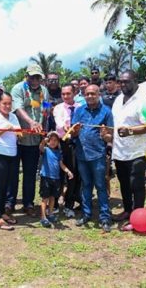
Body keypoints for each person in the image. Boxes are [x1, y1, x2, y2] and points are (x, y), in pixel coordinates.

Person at [110, 70, 146, 231]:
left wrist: (130, 131)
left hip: (137, 152)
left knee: (136, 184)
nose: (123, 84)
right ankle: (128, 210)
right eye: (121, 81)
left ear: (135, 81)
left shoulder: (144, 100)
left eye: (126, 81)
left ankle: (138, 216)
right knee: (123, 183)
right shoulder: (118, 99)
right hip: (120, 151)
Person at [71, 84, 114, 232]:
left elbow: (110, 137)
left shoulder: (106, 112)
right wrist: (74, 131)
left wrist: (105, 135)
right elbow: (73, 133)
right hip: (82, 155)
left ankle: (104, 217)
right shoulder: (79, 111)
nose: (89, 96)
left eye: (93, 94)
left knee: (101, 186)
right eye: (87, 94)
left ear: (98, 94)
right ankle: (86, 214)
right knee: (86, 185)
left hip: (98, 155)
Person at [8, 64, 49, 216]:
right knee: (12, 173)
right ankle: (10, 203)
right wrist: (31, 122)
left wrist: (43, 131)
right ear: (26, 76)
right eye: (32, 77)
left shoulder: (44, 91)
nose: (35, 80)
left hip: (34, 141)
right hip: (18, 139)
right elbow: (18, 109)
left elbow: (45, 110)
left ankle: (28, 203)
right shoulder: (18, 89)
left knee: (30, 174)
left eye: (38, 77)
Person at [0, 92, 21, 230]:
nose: (7, 106)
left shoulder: (13, 117)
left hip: (12, 154)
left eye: (9, 103)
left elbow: (19, 133)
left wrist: (20, 134)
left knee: (8, 185)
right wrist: (4, 128)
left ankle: (3, 214)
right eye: (4, 103)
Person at [53, 83, 81, 218]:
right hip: (62, 143)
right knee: (59, 174)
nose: (65, 96)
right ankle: (55, 204)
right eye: (63, 94)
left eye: (68, 94)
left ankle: (69, 204)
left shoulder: (80, 108)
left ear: (74, 93)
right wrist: (65, 127)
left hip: (76, 144)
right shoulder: (58, 108)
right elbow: (59, 123)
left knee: (73, 174)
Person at [38, 131, 73, 227]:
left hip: (56, 179)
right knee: (45, 198)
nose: (53, 142)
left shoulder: (58, 153)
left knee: (53, 197)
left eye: (55, 140)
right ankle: (43, 217)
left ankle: (50, 213)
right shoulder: (45, 150)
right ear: (48, 141)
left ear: (58, 142)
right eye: (51, 140)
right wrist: (43, 142)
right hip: (46, 177)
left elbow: (61, 165)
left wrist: (68, 171)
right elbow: (40, 147)